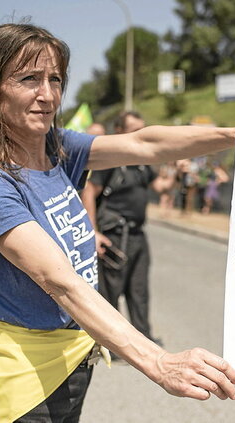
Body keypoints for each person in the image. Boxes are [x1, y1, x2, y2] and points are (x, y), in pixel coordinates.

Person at [0, 23, 235, 422]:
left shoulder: (56, 148)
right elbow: (60, 282)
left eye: (55, 79)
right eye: (28, 79)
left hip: (72, 365)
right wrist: (158, 362)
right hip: (22, 387)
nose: (48, 94)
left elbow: (145, 144)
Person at [80, 111, 173, 343]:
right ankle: (112, 344)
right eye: (134, 129)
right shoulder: (110, 159)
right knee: (111, 293)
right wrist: (93, 231)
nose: (140, 134)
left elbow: (161, 186)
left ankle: (144, 339)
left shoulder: (141, 163)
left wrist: (175, 171)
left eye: (142, 128)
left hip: (137, 234)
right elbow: (89, 191)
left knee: (139, 290)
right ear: (119, 132)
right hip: (115, 235)